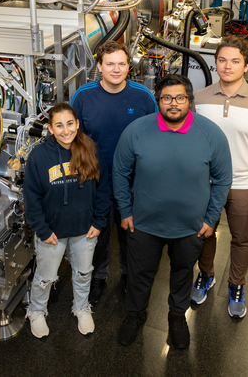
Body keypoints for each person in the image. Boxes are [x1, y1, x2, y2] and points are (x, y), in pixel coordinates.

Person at [113, 74, 233, 348]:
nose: (173, 104)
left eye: (180, 98)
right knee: (140, 274)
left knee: (182, 273)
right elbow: (119, 173)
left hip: (191, 226)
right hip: (143, 225)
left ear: (189, 101)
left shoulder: (211, 134)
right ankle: (135, 314)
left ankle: (177, 317)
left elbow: (224, 179)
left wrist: (211, 219)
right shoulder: (137, 130)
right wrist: (125, 211)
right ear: (158, 101)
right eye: (167, 98)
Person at [192, 36, 248, 318]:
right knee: (204, 232)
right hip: (207, 184)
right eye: (222, 60)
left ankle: (236, 285)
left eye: (235, 61)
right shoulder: (200, 99)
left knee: (242, 239)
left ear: (247, 66)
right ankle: (206, 275)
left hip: (244, 184)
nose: (227, 67)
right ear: (215, 62)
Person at [71, 41, 157, 304]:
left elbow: (155, 136)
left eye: (121, 64)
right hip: (96, 179)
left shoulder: (143, 97)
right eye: (110, 64)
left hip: (133, 181)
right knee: (99, 231)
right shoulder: (83, 96)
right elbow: (73, 138)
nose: (116, 69)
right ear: (99, 66)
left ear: (129, 67)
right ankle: (98, 277)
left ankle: (129, 276)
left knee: (132, 232)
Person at [23, 103, 110, 338]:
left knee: (83, 273)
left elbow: (103, 189)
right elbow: (31, 196)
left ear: (77, 124)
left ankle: (81, 308)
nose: (65, 130)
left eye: (70, 124)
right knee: (45, 276)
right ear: (50, 128)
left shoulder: (90, 148)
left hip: (85, 228)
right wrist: (41, 228)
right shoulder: (39, 156)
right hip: (52, 230)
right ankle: (36, 311)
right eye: (59, 125)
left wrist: (99, 221)